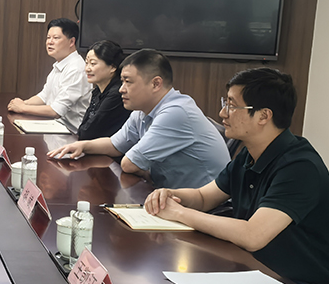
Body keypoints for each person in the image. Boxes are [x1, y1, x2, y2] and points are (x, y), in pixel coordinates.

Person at [144, 68, 329, 284]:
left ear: (263, 116)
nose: (222, 113)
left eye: (232, 105)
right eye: (225, 103)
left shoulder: (300, 166)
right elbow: (203, 197)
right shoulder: (249, 154)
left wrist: (179, 213)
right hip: (270, 274)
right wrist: (170, 195)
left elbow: (253, 235)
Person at [48, 48, 230, 188]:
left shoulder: (176, 112)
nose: (121, 89)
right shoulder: (141, 111)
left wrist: (147, 173)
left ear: (156, 84)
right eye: (122, 81)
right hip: (173, 196)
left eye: (128, 82)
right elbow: (114, 145)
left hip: (205, 206)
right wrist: (82, 146)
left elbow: (129, 164)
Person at [7, 18, 91, 130]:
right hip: (54, 126)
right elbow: (44, 96)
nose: (50, 42)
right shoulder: (60, 64)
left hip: (70, 132)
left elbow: (56, 111)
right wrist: (23, 103)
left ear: (71, 42)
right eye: (48, 37)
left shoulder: (76, 69)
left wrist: (22, 108)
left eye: (56, 38)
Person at [77, 39, 131, 140]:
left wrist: (82, 132)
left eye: (93, 64)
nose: (87, 69)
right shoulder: (98, 90)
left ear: (112, 67)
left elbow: (88, 132)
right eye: (86, 63)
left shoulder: (117, 93)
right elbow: (82, 129)